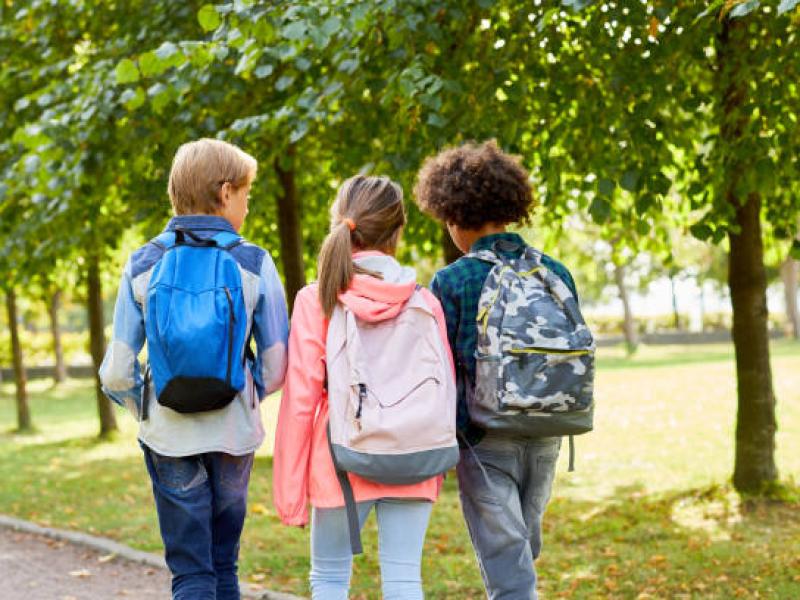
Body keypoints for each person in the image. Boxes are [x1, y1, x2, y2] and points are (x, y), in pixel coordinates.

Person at [99, 138, 289, 600]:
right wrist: (244, 394)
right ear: (226, 192)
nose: (247, 204)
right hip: (232, 434)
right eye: (246, 194)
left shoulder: (143, 262)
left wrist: (146, 408)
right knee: (225, 564)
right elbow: (277, 364)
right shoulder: (253, 261)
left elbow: (116, 373)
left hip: (169, 437)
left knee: (191, 574)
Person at [273, 175, 455, 600]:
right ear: (398, 230)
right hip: (413, 456)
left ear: (341, 223)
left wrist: (290, 493)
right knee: (405, 580)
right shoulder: (425, 303)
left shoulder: (316, 300)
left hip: (339, 462)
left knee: (330, 581)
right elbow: (444, 390)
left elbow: (300, 401)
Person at [415, 140, 581, 600]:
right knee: (522, 547)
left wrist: (454, 435)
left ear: (453, 216)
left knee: (508, 560)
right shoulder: (555, 272)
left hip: (487, 436)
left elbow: (441, 369)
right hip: (550, 426)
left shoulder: (454, 280)